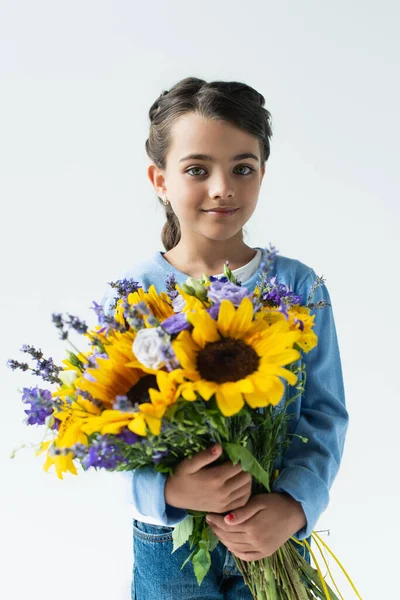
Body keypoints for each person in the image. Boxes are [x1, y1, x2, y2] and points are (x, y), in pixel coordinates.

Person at [101, 76, 349, 600]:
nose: (223, 188)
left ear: (262, 173)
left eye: (243, 168)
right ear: (160, 179)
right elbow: (110, 429)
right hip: (169, 542)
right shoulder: (136, 297)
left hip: (273, 536)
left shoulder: (300, 288)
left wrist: (294, 505)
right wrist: (165, 490)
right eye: (197, 170)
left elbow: (324, 413)